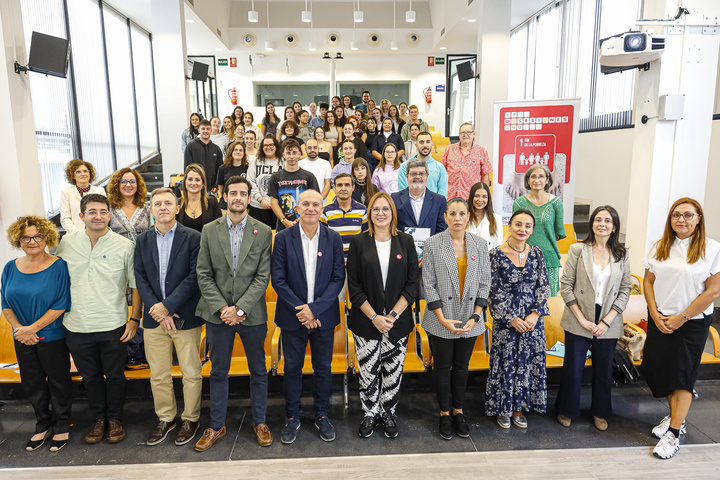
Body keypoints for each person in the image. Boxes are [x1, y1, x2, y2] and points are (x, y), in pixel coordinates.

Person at [194, 176, 274, 450]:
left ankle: (260, 422)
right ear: (224, 197)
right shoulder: (209, 230)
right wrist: (223, 308)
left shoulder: (263, 231)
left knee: (259, 371)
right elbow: (203, 274)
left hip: (251, 315)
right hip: (218, 315)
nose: (238, 197)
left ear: (249, 198)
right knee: (218, 372)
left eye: (243, 193)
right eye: (233, 193)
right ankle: (216, 426)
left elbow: (263, 277)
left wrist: (239, 309)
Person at [56, 194, 139, 444]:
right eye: (92, 212)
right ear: (81, 216)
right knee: (90, 377)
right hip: (76, 325)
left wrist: (134, 319)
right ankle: (99, 419)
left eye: (103, 212)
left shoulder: (125, 245)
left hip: (113, 324)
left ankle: (114, 419)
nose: (99, 216)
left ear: (109, 215)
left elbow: (135, 286)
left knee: (115, 376)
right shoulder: (66, 244)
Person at [641, 198, 720, 459]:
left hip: (692, 324)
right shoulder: (660, 245)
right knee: (659, 370)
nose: (681, 220)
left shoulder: (712, 248)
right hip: (660, 319)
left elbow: (714, 291)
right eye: (676, 215)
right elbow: (648, 281)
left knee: (683, 377)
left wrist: (683, 317)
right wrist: (654, 313)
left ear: (699, 218)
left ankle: (674, 432)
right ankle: (677, 417)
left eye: (688, 215)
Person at [271, 189, 346, 444]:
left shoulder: (333, 238)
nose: (311, 208)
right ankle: (292, 417)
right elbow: (278, 280)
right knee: (292, 368)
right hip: (293, 318)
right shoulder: (282, 238)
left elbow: (338, 279)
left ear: (322, 208)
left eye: (316, 204)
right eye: (305, 204)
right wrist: (303, 310)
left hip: (323, 317)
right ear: (297, 208)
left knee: (323, 369)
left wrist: (315, 310)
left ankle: (322, 415)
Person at [133, 188, 204, 447]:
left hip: (185, 315)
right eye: (157, 203)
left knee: (191, 372)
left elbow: (195, 276)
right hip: (154, 319)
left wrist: (169, 305)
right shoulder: (142, 241)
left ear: (177, 208)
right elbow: (140, 279)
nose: (163, 207)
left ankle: (191, 418)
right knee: (159, 374)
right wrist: (158, 309)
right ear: (150, 210)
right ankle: (166, 418)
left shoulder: (193, 237)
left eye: (168, 203)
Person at [346, 192, 419, 439]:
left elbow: (412, 285)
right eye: (375, 209)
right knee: (368, 370)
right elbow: (353, 287)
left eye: (385, 209)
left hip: (397, 323)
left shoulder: (406, 242)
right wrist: (375, 317)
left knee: (393, 370)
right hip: (366, 322)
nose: (380, 213)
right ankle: (369, 412)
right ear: (369, 213)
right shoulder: (358, 243)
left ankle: (388, 412)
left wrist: (393, 315)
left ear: (392, 213)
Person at [556, 205, 632, 432]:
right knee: (573, 367)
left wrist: (607, 320)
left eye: (607, 220)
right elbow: (566, 286)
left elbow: (625, 289)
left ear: (614, 226)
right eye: (598, 219)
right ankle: (566, 409)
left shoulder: (621, 254)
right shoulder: (578, 250)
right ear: (592, 224)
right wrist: (581, 319)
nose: (602, 224)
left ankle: (600, 412)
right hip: (578, 317)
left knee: (603, 369)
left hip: (608, 319)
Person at [422, 198, 491, 440]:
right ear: (445, 217)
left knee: (462, 367)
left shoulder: (480, 245)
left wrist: (476, 315)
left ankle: (458, 411)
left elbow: (485, 282)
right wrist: (441, 318)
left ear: (468, 215)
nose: (457, 218)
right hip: (440, 318)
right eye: (452, 213)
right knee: (442, 367)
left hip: (470, 319)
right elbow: (428, 284)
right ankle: (443, 413)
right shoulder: (432, 243)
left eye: (462, 213)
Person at [2, 216, 72, 452]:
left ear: (47, 238)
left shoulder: (58, 265)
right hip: (21, 337)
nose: (32, 241)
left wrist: (33, 329)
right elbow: (5, 303)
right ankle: (43, 424)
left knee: (58, 382)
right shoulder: (10, 267)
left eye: (37, 236)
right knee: (32, 383)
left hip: (51, 336)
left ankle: (62, 425)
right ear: (18, 240)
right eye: (25, 237)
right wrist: (20, 330)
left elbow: (62, 302)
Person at [486, 209, 550, 430]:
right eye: (518, 224)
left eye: (527, 226)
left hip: (533, 323)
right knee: (506, 364)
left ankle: (519, 409)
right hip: (506, 323)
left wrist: (534, 315)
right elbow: (493, 291)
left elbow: (544, 287)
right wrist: (511, 318)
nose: (523, 229)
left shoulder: (537, 253)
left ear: (532, 229)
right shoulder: (495, 254)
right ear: (509, 226)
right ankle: (503, 409)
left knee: (527, 364)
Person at [512, 164, 566, 296]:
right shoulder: (519, 203)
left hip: (549, 258)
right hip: (523, 258)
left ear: (547, 180)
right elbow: (515, 230)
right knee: (524, 298)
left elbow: (558, 232)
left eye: (541, 176)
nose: (537, 180)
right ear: (528, 180)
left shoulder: (556, 203)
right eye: (533, 176)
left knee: (548, 301)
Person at [392, 158, 448, 248]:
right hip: (402, 251)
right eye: (413, 174)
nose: (418, 177)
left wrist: (430, 252)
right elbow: (392, 228)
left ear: (427, 176)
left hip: (431, 253)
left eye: (422, 174)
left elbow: (442, 230)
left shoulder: (439, 201)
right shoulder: (394, 199)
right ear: (407, 176)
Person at [268, 139, 320, 231]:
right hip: (283, 226)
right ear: (283, 155)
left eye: (294, 153)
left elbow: (316, 201)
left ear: (299, 154)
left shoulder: (309, 177)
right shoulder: (275, 177)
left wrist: (299, 220)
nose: (291, 156)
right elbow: (273, 202)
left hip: (306, 225)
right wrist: (284, 221)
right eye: (288, 153)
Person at [321, 173, 368, 264]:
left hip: (356, 265)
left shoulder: (363, 210)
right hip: (333, 265)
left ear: (353, 187)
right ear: (334, 188)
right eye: (339, 185)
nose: (343, 188)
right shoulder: (325, 212)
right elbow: (322, 241)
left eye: (347, 185)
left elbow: (367, 240)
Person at [440, 123, 491, 200]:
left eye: (468, 132)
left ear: (473, 134)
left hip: (471, 197)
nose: (465, 135)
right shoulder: (449, 149)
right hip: (450, 195)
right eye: (462, 132)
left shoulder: (481, 151)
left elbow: (485, 175)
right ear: (459, 135)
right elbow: (441, 171)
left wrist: (483, 196)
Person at [60, 159, 107, 234]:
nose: (83, 174)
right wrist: (78, 234)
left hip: (97, 234)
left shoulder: (100, 191)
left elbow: (104, 214)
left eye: (85, 171)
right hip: (74, 236)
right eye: (78, 172)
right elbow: (65, 219)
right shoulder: (66, 193)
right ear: (73, 175)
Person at [107, 168, 151, 244]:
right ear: (117, 185)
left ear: (138, 185)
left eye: (132, 182)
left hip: (142, 254)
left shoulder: (146, 210)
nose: (128, 185)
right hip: (117, 254)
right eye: (123, 182)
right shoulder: (109, 210)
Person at [247, 136, 283, 229]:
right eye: (265, 145)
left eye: (271, 144)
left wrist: (275, 202)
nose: (268, 147)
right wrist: (261, 200)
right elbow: (250, 181)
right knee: (259, 236)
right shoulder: (256, 161)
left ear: (276, 146)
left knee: (277, 235)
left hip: (278, 207)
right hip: (258, 206)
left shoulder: (283, 161)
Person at [397, 132, 448, 197]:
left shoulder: (440, 168)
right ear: (416, 145)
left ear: (432, 144)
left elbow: (442, 193)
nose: (425, 145)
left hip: (434, 206)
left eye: (428, 142)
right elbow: (403, 193)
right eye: (421, 142)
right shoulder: (405, 166)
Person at [176, 164, 222, 232]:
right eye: (190, 179)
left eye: (197, 180)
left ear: (203, 183)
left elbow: (219, 229)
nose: (193, 183)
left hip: (206, 242)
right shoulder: (177, 203)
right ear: (185, 182)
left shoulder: (212, 202)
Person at [184, 119, 223, 193]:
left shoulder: (216, 149)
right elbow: (187, 168)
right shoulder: (191, 147)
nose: (205, 131)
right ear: (199, 130)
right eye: (203, 129)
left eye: (208, 129)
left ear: (211, 131)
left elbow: (219, 169)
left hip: (212, 190)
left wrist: (216, 185)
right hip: (196, 188)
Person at [467, 182, 503, 249]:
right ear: (471, 197)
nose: (480, 200)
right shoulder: (464, 218)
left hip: (487, 258)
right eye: (477, 196)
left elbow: (498, 246)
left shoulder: (496, 219)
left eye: (484, 197)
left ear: (488, 199)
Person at [217, 140, 249, 209]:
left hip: (243, 206)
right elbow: (221, 187)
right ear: (231, 152)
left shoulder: (248, 168)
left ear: (244, 153)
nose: (238, 152)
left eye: (241, 150)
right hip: (226, 206)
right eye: (235, 150)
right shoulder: (222, 168)